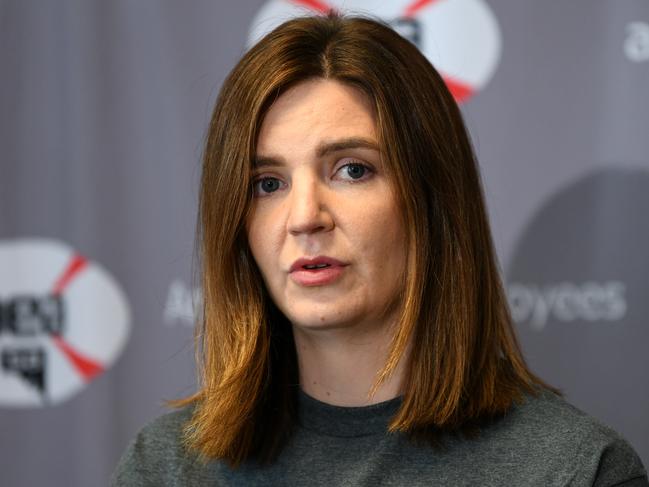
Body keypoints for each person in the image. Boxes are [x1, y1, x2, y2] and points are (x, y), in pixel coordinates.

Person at [112, 13, 648, 486]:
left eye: (351, 170)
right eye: (267, 184)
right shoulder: (165, 468)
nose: (304, 218)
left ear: (433, 201)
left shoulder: (574, 471)